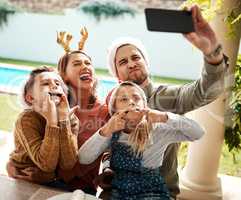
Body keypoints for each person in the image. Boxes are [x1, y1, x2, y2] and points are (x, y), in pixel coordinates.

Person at [101, 5, 228, 199]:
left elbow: (208, 90)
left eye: (136, 57)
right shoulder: (112, 104)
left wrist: (212, 51)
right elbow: (108, 147)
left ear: (146, 63)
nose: (131, 63)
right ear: (117, 75)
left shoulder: (170, 97)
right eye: (123, 62)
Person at [79, 81, 205, 200]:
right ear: (115, 110)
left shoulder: (158, 130)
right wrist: (106, 130)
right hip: (118, 192)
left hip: (151, 193)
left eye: (136, 98)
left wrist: (165, 117)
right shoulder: (111, 132)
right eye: (124, 99)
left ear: (145, 106)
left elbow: (198, 133)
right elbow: (83, 158)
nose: (131, 102)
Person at [56, 28, 110, 194]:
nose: (85, 67)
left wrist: (107, 171)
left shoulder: (105, 111)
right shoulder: (54, 107)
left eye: (88, 63)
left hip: (84, 190)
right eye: (77, 63)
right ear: (64, 76)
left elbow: (111, 149)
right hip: (49, 183)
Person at [6, 66, 79, 188]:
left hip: (51, 178)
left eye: (57, 83)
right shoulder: (26, 119)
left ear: (65, 94)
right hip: (23, 176)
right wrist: (51, 122)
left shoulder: (71, 120)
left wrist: (63, 121)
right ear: (30, 98)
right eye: (45, 83)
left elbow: (68, 164)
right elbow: (46, 164)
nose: (54, 86)